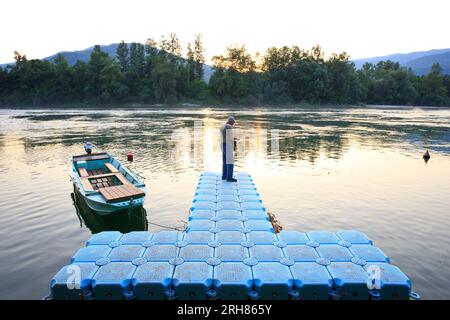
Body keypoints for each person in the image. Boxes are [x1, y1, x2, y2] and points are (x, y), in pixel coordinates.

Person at [220, 116, 237, 182]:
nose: (233, 124)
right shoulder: (229, 126)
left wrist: (233, 138)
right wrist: (234, 143)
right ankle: (229, 178)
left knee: (225, 161)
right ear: (231, 122)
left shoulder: (222, 126)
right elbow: (229, 138)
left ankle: (224, 176)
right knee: (230, 161)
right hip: (227, 145)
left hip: (222, 144)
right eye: (233, 122)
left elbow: (225, 136)